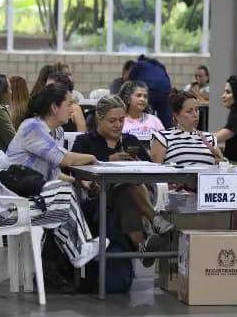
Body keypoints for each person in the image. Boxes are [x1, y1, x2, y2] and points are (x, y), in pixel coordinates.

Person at [0, 110, 102, 268]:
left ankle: (79, 248)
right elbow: (3, 159)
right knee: (64, 193)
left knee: (58, 195)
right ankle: (80, 249)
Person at [72, 95, 174, 266]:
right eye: (112, 121)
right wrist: (108, 161)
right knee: (124, 188)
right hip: (99, 198)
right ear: (99, 118)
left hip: (132, 195)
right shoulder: (85, 142)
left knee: (125, 190)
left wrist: (137, 164)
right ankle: (155, 219)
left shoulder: (130, 140)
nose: (118, 125)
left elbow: (150, 168)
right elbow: (72, 170)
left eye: (121, 120)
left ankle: (142, 247)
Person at [6, 84, 97, 183]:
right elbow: (64, 159)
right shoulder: (32, 127)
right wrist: (91, 157)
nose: (72, 110)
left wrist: (77, 182)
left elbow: (53, 173)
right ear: (54, 107)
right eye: (69, 104)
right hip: (16, 190)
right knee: (66, 194)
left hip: (35, 188)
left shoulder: (58, 131)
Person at [150, 90, 222, 166]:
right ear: (176, 115)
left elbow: (223, 167)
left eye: (197, 110)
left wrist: (219, 161)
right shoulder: (163, 138)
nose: (195, 115)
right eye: (189, 111)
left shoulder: (209, 138)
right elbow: (155, 172)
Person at [127, 55, 173, 128]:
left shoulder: (139, 64)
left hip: (150, 90)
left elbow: (130, 81)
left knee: (145, 115)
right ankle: (169, 135)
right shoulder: (159, 65)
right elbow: (167, 79)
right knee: (166, 118)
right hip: (165, 91)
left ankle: (143, 132)